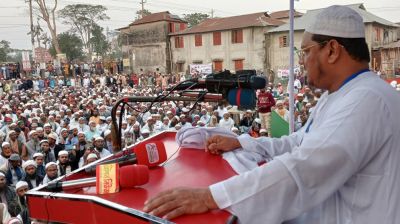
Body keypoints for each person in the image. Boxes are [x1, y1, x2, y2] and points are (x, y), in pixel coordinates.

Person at [143, 6, 400, 223]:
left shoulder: (365, 100)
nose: (301, 61)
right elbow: (299, 143)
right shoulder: (339, 94)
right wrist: (243, 142)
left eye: (306, 51)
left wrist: (209, 196)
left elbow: (304, 168)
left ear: (332, 50)